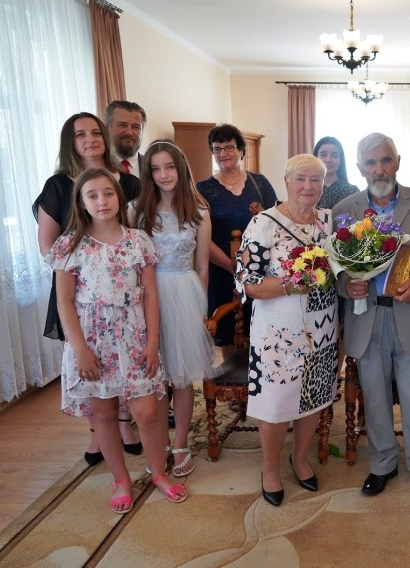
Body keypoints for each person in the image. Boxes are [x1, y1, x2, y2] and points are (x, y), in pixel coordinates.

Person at [46, 168, 187, 513]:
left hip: (134, 336)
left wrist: (153, 342)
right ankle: (120, 479)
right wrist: (79, 349)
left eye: (107, 193)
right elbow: (64, 301)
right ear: (81, 203)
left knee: (147, 410)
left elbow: (151, 297)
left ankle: (157, 472)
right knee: (103, 413)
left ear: (118, 196)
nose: (101, 201)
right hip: (92, 342)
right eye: (92, 195)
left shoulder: (139, 241)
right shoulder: (70, 244)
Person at [332, 133, 410, 503]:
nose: (378, 169)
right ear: (359, 168)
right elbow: (334, 266)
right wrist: (346, 284)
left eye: (385, 160)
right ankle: (382, 464)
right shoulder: (345, 209)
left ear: (398, 161)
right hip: (367, 318)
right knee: (376, 397)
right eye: (370, 163)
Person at [32, 112, 142, 465]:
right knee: (92, 365)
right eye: (81, 134)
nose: (90, 139)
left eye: (96, 132)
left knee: (125, 361)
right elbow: (48, 245)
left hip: (126, 289)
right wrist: (86, 269)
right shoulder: (58, 186)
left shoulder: (128, 182)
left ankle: (125, 424)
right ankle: (99, 433)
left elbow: (137, 232)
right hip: (80, 293)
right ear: (71, 142)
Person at [236, 154, 338, 507]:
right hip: (279, 333)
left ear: (324, 184)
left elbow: (339, 267)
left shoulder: (327, 221)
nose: (308, 187)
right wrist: (293, 284)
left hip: (323, 325)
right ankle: (270, 468)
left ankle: (299, 458)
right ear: (286, 181)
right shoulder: (263, 224)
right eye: (301, 179)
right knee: (276, 403)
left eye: (315, 180)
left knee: (312, 397)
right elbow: (249, 284)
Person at [130, 140, 215, 478]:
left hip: (184, 290)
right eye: (156, 168)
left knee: (180, 377)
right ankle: (159, 442)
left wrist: (201, 311)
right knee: (156, 376)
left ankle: (180, 442)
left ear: (180, 169)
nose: (164, 175)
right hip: (147, 294)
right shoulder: (135, 209)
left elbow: (204, 267)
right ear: (148, 173)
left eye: (169, 167)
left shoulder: (198, 212)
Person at [196, 123, 278, 356]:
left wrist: (248, 265)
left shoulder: (259, 183)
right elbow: (200, 236)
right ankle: (233, 381)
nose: (223, 154)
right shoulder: (202, 189)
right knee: (227, 334)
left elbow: (276, 222)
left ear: (241, 150)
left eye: (229, 147)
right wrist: (231, 265)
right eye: (217, 149)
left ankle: (259, 386)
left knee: (260, 333)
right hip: (221, 271)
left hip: (259, 271)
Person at [314, 136, 359, 209]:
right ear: (315, 157)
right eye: (323, 155)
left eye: (334, 156)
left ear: (340, 160)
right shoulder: (308, 189)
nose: (328, 160)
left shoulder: (352, 191)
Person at [104, 100, 146, 177]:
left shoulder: (152, 166)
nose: (129, 132)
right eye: (122, 125)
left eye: (135, 127)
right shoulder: (97, 167)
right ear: (107, 128)